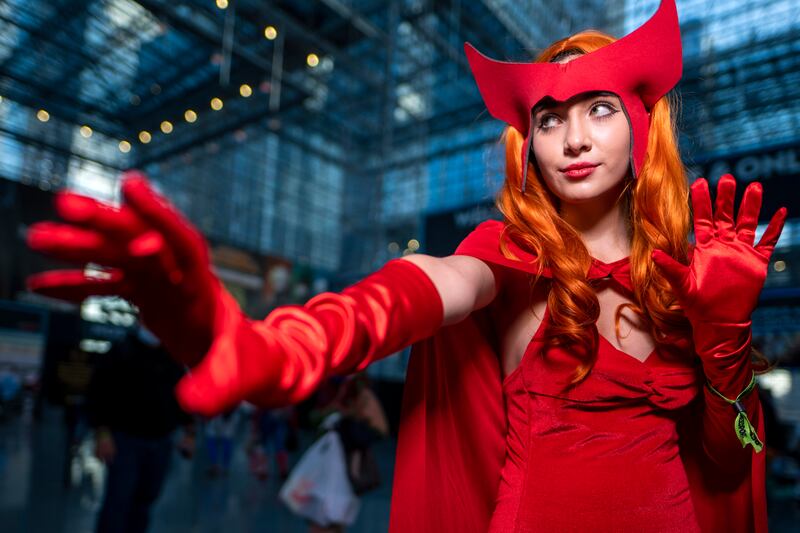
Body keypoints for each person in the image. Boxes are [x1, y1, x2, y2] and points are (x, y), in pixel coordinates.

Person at [25, 1, 786, 531]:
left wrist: (724, 337)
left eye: (599, 109)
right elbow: (423, 284)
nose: (574, 138)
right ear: (531, 145)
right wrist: (282, 345)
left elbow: (726, 462)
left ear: (643, 127)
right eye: (550, 119)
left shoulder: (683, 278)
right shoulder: (508, 255)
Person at [87, 325, 195, 533]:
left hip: (160, 442)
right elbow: (98, 394)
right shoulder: (120, 351)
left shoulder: (171, 357)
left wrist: (190, 432)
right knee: (117, 502)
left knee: (145, 503)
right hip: (124, 441)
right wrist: (102, 433)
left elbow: (182, 396)